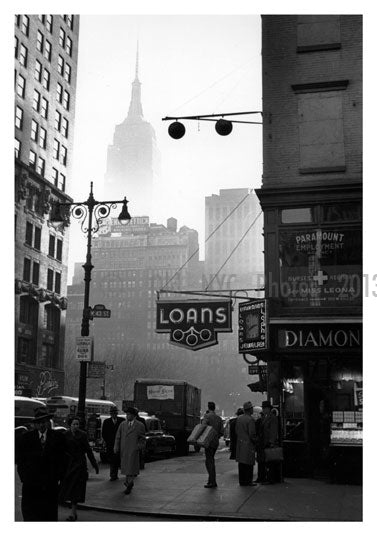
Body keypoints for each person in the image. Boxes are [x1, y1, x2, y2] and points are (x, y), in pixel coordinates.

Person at [16, 406, 65, 521]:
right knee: (31, 516)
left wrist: (58, 477)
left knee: (48, 516)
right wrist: (25, 478)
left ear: (48, 422)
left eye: (44, 422)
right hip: (31, 486)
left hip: (50, 486)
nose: (42, 425)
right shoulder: (26, 438)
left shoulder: (58, 437)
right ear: (34, 424)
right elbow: (20, 460)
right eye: (39, 423)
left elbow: (63, 460)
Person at [59, 416, 99, 521]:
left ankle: (73, 512)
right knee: (68, 489)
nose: (76, 426)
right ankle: (73, 511)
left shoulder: (83, 435)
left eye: (77, 424)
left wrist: (94, 465)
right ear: (70, 425)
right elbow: (60, 451)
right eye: (74, 424)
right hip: (68, 465)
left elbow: (88, 451)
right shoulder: (64, 435)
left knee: (76, 490)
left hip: (79, 466)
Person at [114, 406, 146, 495]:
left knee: (131, 468)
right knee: (126, 468)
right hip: (124, 449)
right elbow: (118, 437)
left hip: (133, 450)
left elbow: (142, 439)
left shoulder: (140, 425)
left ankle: (129, 484)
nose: (127, 416)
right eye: (127, 414)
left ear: (134, 415)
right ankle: (128, 482)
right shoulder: (122, 424)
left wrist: (138, 447)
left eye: (129, 414)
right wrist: (116, 446)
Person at [202, 401, 224, 488]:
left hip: (208, 441)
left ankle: (212, 481)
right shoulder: (219, 418)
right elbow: (221, 432)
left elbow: (203, 427)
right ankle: (211, 480)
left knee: (209, 461)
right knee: (211, 460)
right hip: (215, 442)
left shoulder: (207, 416)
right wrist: (216, 436)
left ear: (208, 407)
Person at [235, 401, 257, 486]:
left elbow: (236, 431)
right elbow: (252, 434)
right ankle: (248, 481)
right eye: (252, 408)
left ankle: (242, 481)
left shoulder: (239, 418)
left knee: (241, 464)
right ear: (249, 409)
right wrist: (256, 441)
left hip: (240, 443)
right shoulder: (250, 419)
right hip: (248, 445)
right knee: (249, 464)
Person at [101, 407, 125, 480]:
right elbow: (104, 433)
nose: (114, 414)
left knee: (117, 459)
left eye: (115, 413)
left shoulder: (122, 421)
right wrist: (108, 441)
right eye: (112, 413)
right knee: (112, 459)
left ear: (117, 413)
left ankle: (115, 474)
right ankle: (112, 475)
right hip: (110, 444)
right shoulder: (106, 421)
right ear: (110, 414)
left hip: (119, 443)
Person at [259, 400, 280, 484]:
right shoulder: (266, 417)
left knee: (270, 461)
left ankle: (270, 479)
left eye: (264, 408)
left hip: (269, 442)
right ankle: (267, 478)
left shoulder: (272, 417)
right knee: (267, 461)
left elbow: (273, 431)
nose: (263, 410)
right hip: (265, 442)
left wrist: (271, 441)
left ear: (268, 408)